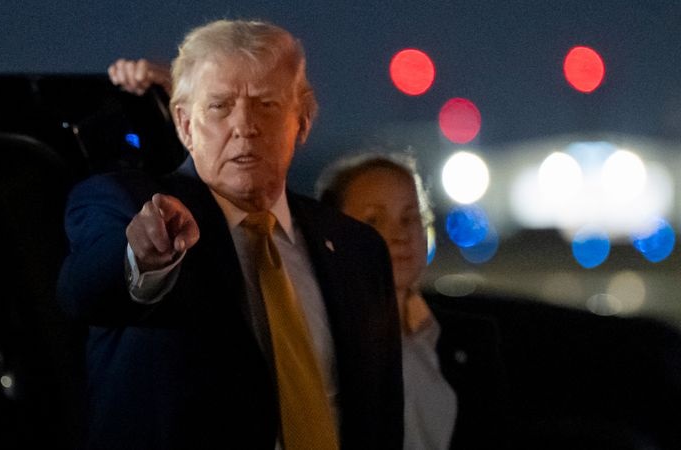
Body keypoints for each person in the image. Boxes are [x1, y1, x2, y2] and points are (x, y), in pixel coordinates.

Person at [57, 19, 403, 450]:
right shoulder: (127, 204)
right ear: (184, 125)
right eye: (219, 106)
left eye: (267, 105)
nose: (244, 126)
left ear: (304, 120)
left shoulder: (356, 247)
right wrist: (144, 258)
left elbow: (380, 417)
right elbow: (83, 291)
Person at [317, 153, 512, 450]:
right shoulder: (318, 342)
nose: (400, 235)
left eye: (410, 217)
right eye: (374, 220)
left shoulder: (471, 340)